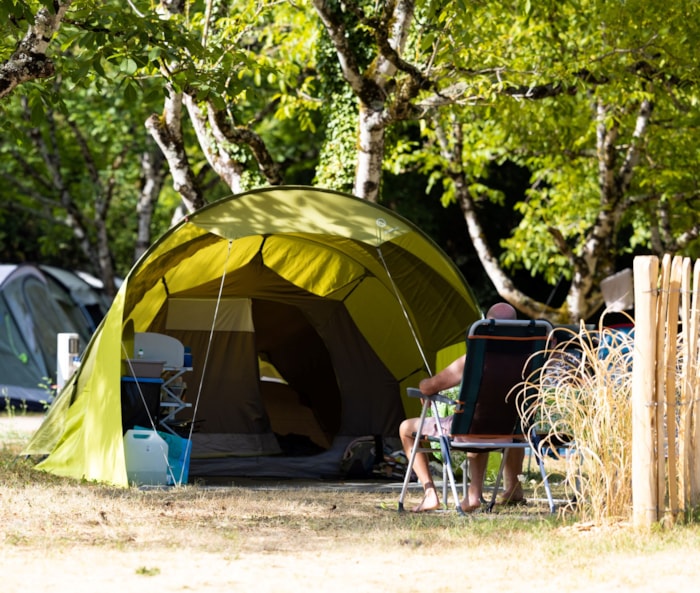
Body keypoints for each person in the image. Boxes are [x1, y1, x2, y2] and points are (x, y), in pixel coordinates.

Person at [399, 302, 525, 512]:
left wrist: (424, 386)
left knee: (406, 428)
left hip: (470, 430)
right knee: (482, 422)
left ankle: (430, 495)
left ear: (486, 326)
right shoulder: (528, 360)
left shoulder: (474, 360)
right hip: (510, 433)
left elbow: (429, 387)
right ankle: (476, 494)